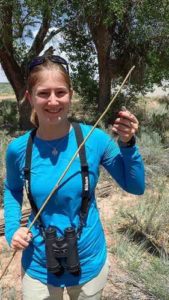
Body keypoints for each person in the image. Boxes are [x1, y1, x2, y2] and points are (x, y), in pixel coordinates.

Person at [4, 54, 145, 300]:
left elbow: (135, 186)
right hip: (39, 265)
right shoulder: (18, 149)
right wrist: (13, 229)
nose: (53, 101)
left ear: (71, 94)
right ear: (29, 97)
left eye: (60, 92)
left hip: (89, 263)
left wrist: (128, 143)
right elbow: (13, 189)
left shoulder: (95, 140)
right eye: (43, 93)